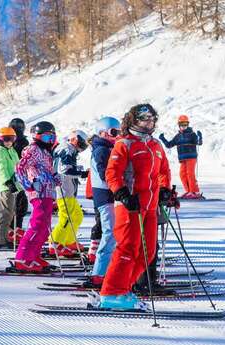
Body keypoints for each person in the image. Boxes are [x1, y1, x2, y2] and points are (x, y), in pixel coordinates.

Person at [98, 104, 172, 310]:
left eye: (152, 119)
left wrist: (165, 190)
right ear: (133, 120)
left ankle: (124, 288)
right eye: (144, 118)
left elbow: (163, 171)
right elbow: (112, 173)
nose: (149, 122)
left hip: (150, 206)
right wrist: (122, 193)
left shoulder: (156, 145)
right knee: (127, 248)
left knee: (147, 253)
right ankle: (111, 293)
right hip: (130, 206)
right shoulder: (125, 144)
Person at [14, 121, 60, 272]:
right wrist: (27, 185)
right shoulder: (33, 149)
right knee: (37, 224)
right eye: (47, 138)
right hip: (38, 191)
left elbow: (47, 169)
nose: (50, 142)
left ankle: (34, 255)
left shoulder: (46, 152)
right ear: (37, 136)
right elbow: (20, 167)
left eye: (52, 138)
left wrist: (55, 177)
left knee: (45, 227)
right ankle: (23, 258)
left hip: (47, 191)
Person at [88, 116, 121, 286]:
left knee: (113, 233)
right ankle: (99, 273)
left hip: (109, 195)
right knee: (110, 233)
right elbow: (105, 174)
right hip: (105, 195)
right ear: (102, 133)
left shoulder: (107, 148)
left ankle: (107, 269)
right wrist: (119, 185)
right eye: (114, 132)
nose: (117, 136)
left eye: (119, 132)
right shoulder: (101, 150)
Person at [49, 130, 89, 257]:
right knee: (66, 217)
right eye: (80, 143)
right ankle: (55, 242)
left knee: (77, 215)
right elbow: (64, 169)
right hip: (62, 187)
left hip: (67, 187)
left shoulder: (69, 149)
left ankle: (68, 240)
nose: (81, 147)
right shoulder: (67, 149)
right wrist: (82, 173)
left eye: (84, 145)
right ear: (73, 139)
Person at [0, 127, 22, 248]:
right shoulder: (0, 151)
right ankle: (0, 239)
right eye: (6, 139)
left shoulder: (12, 151)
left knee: (4, 212)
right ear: (0, 140)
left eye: (11, 139)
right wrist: (8, 182)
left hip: (15, 185)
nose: (9, 142)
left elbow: (18, 167)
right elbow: (2, 168)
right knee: (7, 214)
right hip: (7, 186)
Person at [159, 115, 204, 199]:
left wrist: (200, 137)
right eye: (182, 124)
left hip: (191, 157)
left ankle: (194, 191)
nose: (184, 126)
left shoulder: (192, 134)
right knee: (182, 174)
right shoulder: (178, 136)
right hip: (183, 159)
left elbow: (199, 142)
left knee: (190, 174)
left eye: (185, 124)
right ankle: (188, 191)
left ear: (188, 124)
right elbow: (169, 145)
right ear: (179, 125)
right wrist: (163, 138)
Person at [7, 118, 29, 243]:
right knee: (18, 205)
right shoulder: (16, 141)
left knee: (18, 205)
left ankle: (15, 230)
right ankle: (13, 231)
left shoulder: (16, 141)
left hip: (17, 176)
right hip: (15, 176)